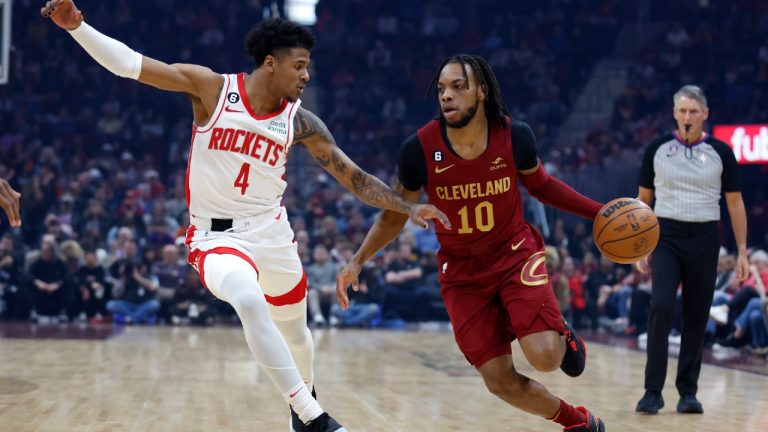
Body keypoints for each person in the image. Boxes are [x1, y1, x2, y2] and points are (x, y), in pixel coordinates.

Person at [41, 2, 449, 431]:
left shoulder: (301, 122)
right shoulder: (212, 90)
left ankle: (302, 406)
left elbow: (355, 178)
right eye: (300, 66)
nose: (306, 76)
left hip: (273, 235)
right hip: (216, 239)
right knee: (248, 299)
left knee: (296, 335)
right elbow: (131, 65)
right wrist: (78, 28)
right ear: (270, 64)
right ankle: (314, 419)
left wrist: (406, 205)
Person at [336, 54, 606, 432]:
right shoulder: (418, 150)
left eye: (458, 87)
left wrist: (599, 212)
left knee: (545, 358)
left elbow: (542, 186)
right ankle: (575, 421)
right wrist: (357, 260)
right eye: (442, 89)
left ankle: (561, 331)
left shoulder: (514, 135)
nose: (447, 96)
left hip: (514, 254)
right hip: (462, 273)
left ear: (481, 91)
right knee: (498, 380)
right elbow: (395, 211)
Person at [634, 85, 749, 415]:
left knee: (697, 315)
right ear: (674, 113)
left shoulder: (721, 151)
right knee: (662, 307)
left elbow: (734, 202)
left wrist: (741, 251)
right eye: (682, 111)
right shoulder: (657, 149)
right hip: (666, 234)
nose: (687, 117)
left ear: (705, 115)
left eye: (693, 111)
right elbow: (643, 200)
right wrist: (640, 243)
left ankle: (688, 392)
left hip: (704, 237)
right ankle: (652, 391)